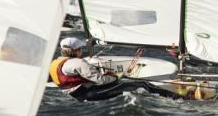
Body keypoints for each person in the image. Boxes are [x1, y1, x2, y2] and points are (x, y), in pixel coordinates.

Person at [49, 37, 180, 101]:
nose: (81, 51)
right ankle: (178, 98)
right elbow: (100, 80)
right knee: (142, 84)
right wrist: (116, 76)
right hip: (89, 94)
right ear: (76, 50)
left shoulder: (56, 63)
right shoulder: (77, 63)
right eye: (80, 49)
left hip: (76, 95)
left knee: (123, 85)